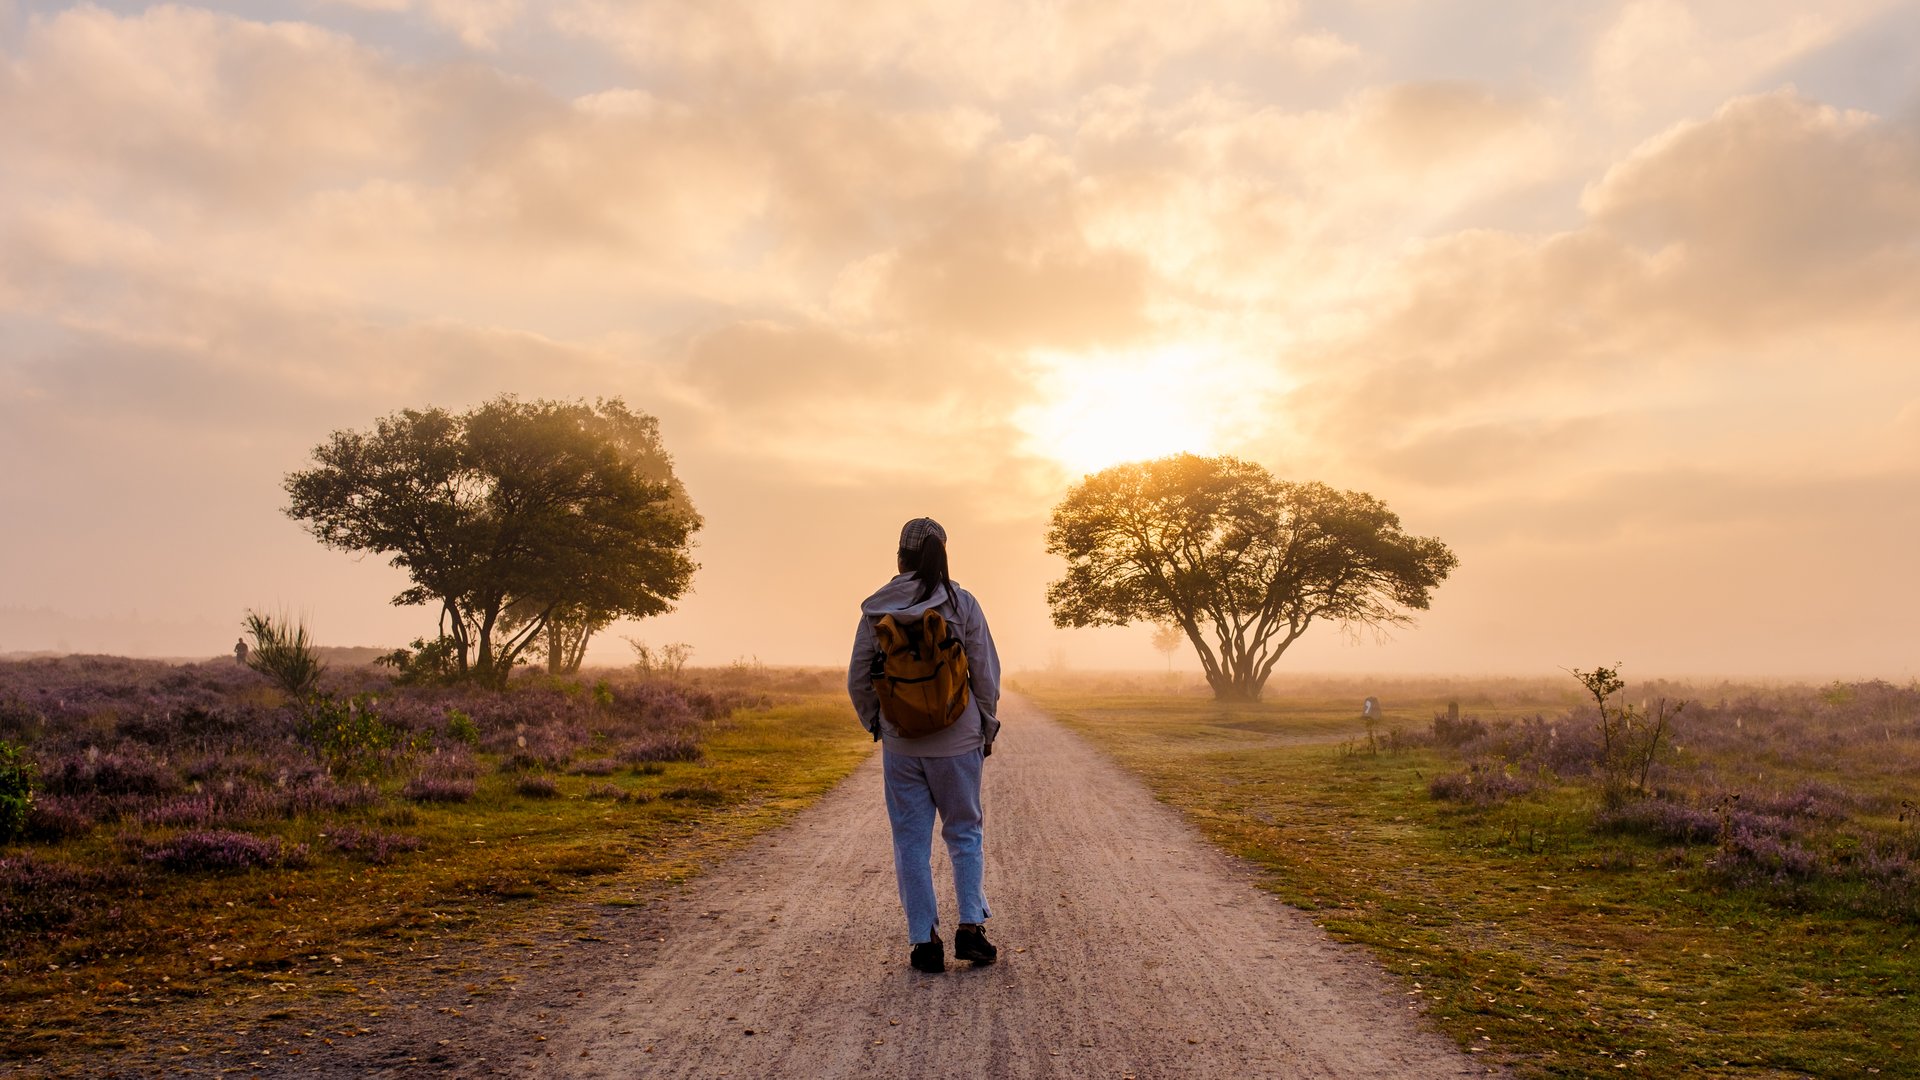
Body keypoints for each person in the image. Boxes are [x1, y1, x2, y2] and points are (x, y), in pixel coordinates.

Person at [848, 517, 1001, 974]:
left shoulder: (877, 608)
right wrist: (985, 726)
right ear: (942, 554)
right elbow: (985, 672)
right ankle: (971, 929)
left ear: (900, 556)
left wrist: (880, 724)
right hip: (958, 739)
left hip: (902, 743)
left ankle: (923, 941)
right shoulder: (963, 603)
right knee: (965, 832)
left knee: (911, 841)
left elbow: (859, 678)